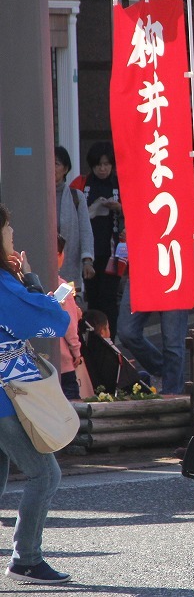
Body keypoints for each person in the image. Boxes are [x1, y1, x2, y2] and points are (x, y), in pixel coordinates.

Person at [0, 204, 73, 584]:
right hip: (6, 397)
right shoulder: (2, 283)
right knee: (44, 474)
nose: (12, 234)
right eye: (8, 227)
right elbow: (52, 323)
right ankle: (26, 559)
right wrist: (31, 281)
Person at [74, 142, 123, 338]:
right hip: (88, 250)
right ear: (92, 166)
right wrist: (91, 210)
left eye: (106, 164)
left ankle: (110, 339)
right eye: (98, 165)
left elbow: (137, 210)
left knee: (109, 297)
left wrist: (119, 208)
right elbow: (71, 210)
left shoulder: (120, 183)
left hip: (113, 250)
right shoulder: (81, 184)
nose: (103, 169)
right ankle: (93, 340)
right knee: (92, 297)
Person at [117, 272, 190, 396]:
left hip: (175, 271)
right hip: (143, 271)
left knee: (173, 344)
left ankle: (171, 394)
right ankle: (163, 370)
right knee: (127, 332)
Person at [54, 146, 94, 300]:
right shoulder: (38, 196)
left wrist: (87, 260)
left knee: (69, 307)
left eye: (56, 163)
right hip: (42, 266)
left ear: (65, 169)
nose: (52, 167)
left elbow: (85, 230)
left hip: (69, 267)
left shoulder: (76, 197)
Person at [55, 235, 86, 400]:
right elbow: (69, 325)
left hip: (39, 362)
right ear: (58, 255)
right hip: (64, 361)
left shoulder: (27, 283)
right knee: (71, 408)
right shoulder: (62, 287)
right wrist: (76, 351)